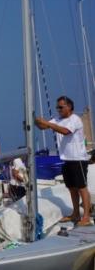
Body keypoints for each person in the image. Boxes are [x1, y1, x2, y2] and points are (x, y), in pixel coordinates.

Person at [35, 95, 93, 226]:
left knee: (82, 187)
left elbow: (65, 131)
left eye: (61, 107)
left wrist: (48, 123)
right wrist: (35, 120)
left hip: (78, 159)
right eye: (57, 107)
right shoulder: (57, 119)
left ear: (69, 107)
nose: (58, 109)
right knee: (72, 188)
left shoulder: (75, 119)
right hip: (66, 159)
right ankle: (76, 213)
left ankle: (87, 216)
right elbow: (43, 127)